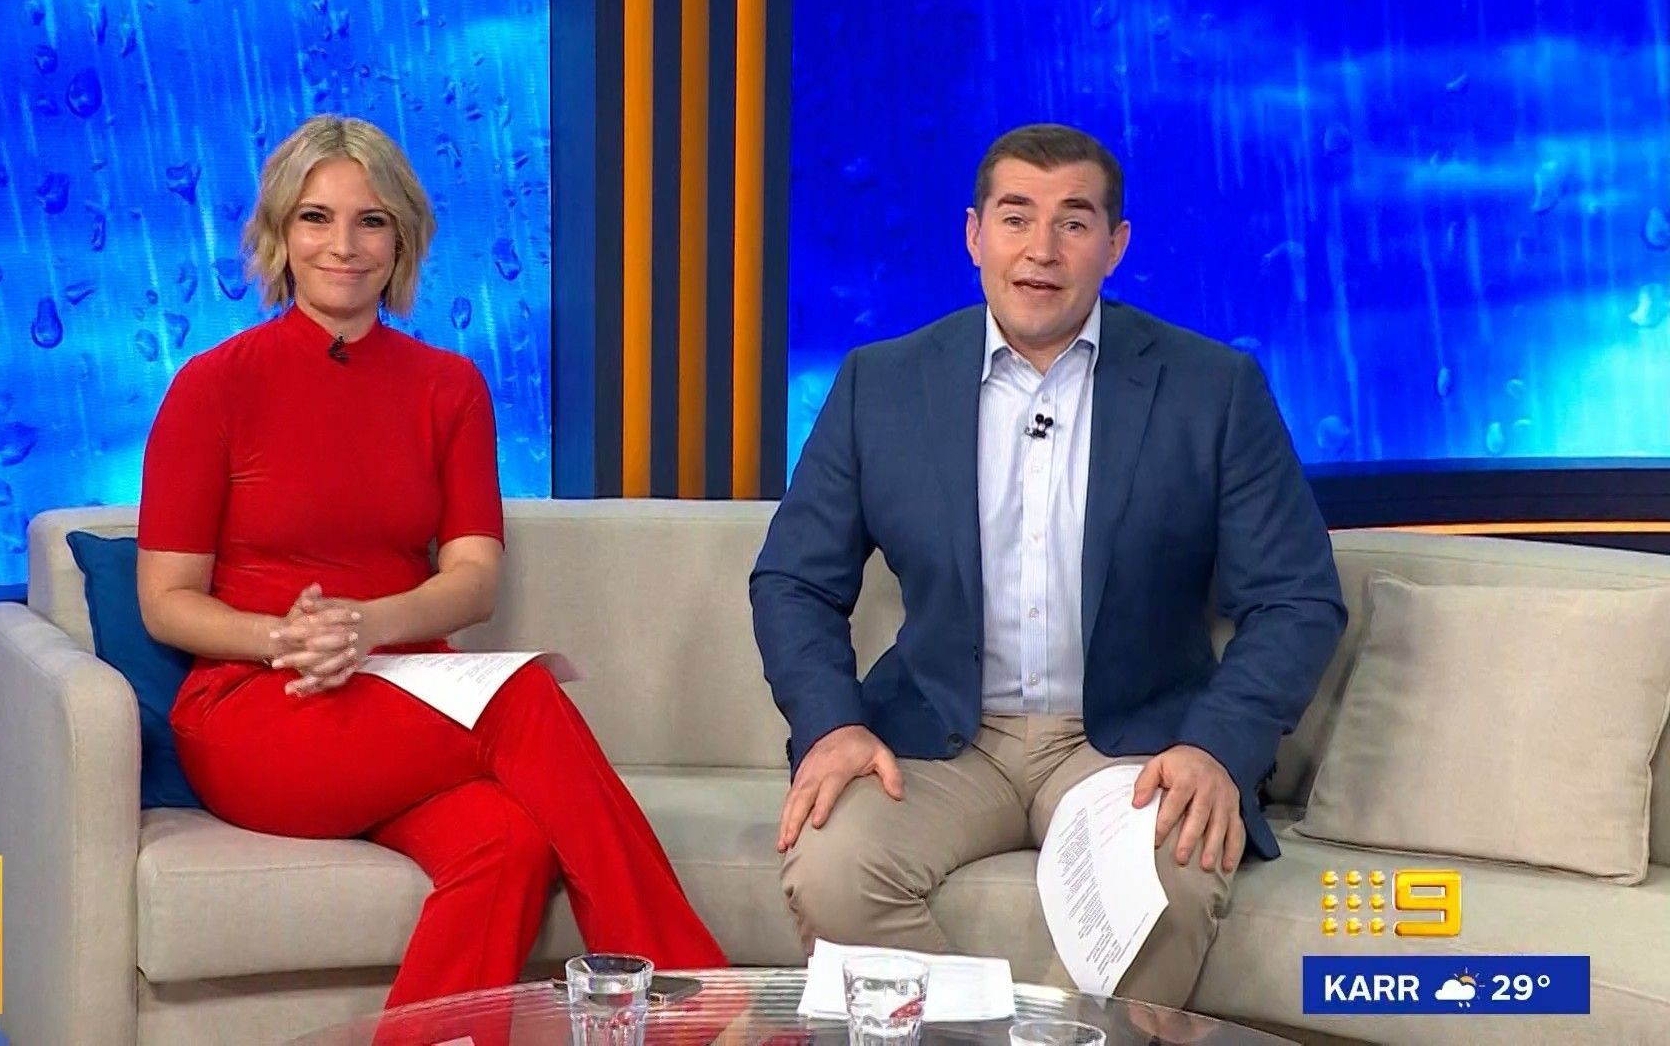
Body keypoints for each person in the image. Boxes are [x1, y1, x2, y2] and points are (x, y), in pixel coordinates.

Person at [136, 114, 727, 1007]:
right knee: (522, 697)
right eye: (315, 218)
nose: (344, 245)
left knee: (508, 843)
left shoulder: (449, 388)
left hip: (406, 694)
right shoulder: (212, 386)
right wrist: (288, 638)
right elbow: (166, 600)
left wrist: (366, 625)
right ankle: (698, 1002)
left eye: (371, 221)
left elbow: (473, 582)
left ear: (402, 240)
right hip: (259, 707)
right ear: (280, 234)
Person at [750, 123, 1346, 1006]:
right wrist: (833, 725)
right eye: (1016, 217)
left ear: (1116, 244)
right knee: (832, 869)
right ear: (974, 235)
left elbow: (1296, 599)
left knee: (1165, 885)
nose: (1041, 249)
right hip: (939, 738)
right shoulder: (883, 383)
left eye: (1073, 222)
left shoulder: (1213, 389)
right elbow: (795, 580)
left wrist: (1215, 748)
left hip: (1135, 746)